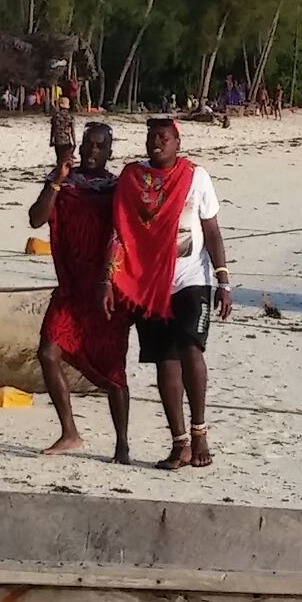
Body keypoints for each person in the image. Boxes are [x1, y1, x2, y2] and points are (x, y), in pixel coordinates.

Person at [104, 115, 231, 470]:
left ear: (178, 142)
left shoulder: (195, 177)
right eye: (151, 138)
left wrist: (223, 280)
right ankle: (180, 443)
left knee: (191, 348)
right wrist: (110, 279)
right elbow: (120, 229)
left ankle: (200, 431)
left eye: (163, 137)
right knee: (164, 360)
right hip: (149, 282)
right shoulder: (132, 179)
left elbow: (213, 230)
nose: (156, 143)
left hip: (193, 278)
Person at [28, 122, 131, 462]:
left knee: (114, 370)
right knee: (47, 352)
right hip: (71, 289)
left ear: (109, 153)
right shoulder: (63, 181)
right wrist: (57, 177)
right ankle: (69, 432)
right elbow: (36, 219)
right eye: (87, 145)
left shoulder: (116, 188)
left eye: (100, 147)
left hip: (105, 291)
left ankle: (122, 445)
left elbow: (125, 235)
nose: (91, 153)